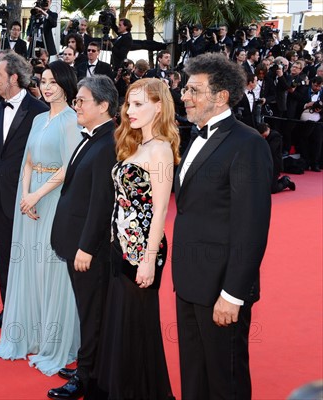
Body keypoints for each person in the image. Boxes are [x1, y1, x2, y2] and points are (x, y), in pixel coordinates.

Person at [173, 53, 272, 399]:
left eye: (193, 90)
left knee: (225, 381)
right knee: (194, 376)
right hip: (188, 282)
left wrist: (232, 294)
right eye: (185, 88)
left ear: (221, 97)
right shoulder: (195, 137)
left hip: (221, 289)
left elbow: (252, 227)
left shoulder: (248, 145)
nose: (184, 96)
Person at [0, 61, 81, 374]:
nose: (48, 86)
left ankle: (52, 340)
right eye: (45, 81)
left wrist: (37, 196)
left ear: (66, 85)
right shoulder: (39, 117)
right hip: (27, 199)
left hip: (52, 199)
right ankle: (29, 334)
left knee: (49, 268)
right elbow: (28, 160)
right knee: (28, 267)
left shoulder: (71, 120)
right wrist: (25, 195)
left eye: (54, 82)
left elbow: (69, 166)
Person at [91, 78, 179, 399]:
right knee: (121, 321)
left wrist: (148, 259)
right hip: (120, 247)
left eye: (139, 104)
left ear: (159, 107)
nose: (129, 110)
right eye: (129, 103)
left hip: (143, 250)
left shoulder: (161, 150)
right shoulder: (136, 145)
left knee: (136, 326)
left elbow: (160, 211)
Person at [48, 75, 118, 399]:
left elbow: (101, 203)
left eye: (81, 100)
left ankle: (87, 378)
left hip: (88, 248)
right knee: (85, 310)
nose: (76, 105)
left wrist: (86, 247)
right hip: (75, 241)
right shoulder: (90, 137)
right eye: (76, 100)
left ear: (103, 106)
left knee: (92, 314)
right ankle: (87, 364)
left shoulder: (108, 144)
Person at [0, 52, 49, 329]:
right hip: (1, 195)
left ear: (13, 77)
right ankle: (8, 310)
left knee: (31, 257)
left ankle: (34, 315)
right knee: (5, 256)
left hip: (28, 198)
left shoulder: (39, 111)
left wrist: (34, 194)